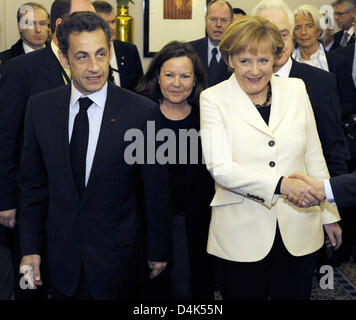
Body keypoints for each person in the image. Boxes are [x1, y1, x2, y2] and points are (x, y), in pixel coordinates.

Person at [18, 11, 171, 300]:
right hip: (59, 258)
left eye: (101, 54)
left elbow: (155, 191)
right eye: (82, 57)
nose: (94, 67)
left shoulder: (142, 112)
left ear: (111, 51)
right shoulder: (39, 109)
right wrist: (30, 248)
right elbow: (31, 187)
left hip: (120, 260)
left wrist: (157, 251)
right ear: (64, 59)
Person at [199, 15, 341, 300]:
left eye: (263, 60)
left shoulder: (296, 89)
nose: (254, 71)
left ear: (276, 59)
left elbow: (313, 154)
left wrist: (329, 214)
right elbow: (221, 169)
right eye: (245, 61)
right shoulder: (213, 99)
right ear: (230, 60)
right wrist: (281, 185)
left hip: (300, 228)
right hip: (240, 233)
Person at [0, 0, 95, 300]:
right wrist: (5, 200)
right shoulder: (21, 70)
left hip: (81, 208)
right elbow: (5, 139)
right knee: (32, 282)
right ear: (60, 27)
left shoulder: (98, 66)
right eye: (83, 19)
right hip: (33, 202)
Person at [136, 41, 214, 300]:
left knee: (191, 288)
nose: (176, 83)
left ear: (195, 80)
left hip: (195, 224)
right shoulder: (139, 115)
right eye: (169, 75)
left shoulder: (208, 117)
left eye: (185, 76)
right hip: (146, 222)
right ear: (157, 76)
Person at [252, 0, 349, 179]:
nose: (277, 44)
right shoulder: (240, 84)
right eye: (267, 35)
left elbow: (333, 149)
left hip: (307, 194)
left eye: (283, 34)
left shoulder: (320, 82)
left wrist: (336, 198)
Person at [92, 0, 143, 91]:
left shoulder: (129, 50)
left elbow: (141, 88)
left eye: (113, 22)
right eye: (106, 23)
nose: (112, 28)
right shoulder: (87, 54)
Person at [189, 0, 233, 87]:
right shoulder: (190, 49)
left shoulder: (237, 51)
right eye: (213, 19)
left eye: (224, 20)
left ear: (231, 22)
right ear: (205, 20)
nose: (218, 24)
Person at [292, 4, 344, 75]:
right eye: (298, 27)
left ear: (319, 30)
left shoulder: (337, 62)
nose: (303, 32)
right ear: (293, 32)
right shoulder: (286, 62)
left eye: (309, 26)